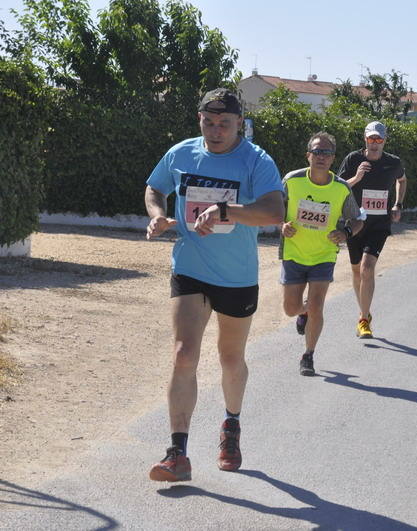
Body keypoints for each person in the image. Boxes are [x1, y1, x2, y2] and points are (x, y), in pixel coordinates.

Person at [145, 88, 285, 482]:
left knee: (230, 358)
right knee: (183, 354)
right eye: (209, 122)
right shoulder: (181, 153)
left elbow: (275, 210)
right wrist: (157, 214)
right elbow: (155, 187)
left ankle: (231, 424)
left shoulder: (256, 160)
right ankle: (177, 452)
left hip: (237, 276)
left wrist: (226, 210)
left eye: (225, 123)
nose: (216, 130)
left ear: (240, 123)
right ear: (199, 119)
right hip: (190, 267)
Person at [280, 132, 363, 375]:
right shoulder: (292, 180)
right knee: (289, 308)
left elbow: (357, 219)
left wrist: (346, 233)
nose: (321, 157)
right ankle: (302, 311)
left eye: (326, 153)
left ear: (333, 158)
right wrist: (280, 226)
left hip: (324, 255)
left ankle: (308, 355)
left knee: (317, 306)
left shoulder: (341, 188)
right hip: (294, 253)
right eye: (317, 151)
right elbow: (274, 208)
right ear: (308, 155)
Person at [338, 121, 406, 339]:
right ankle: (364, 311)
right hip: (355, 222)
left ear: (384, 141)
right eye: (371, 139)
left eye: (379, 139)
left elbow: (402, 180)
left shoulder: (393, 162)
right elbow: (338, 187)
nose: (374, 143)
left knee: (368, 267)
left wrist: (398, 204)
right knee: (357, 270)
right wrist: (357, 177)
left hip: (379, 224)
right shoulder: (353, 159)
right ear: (365, 139)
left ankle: (364, 319)